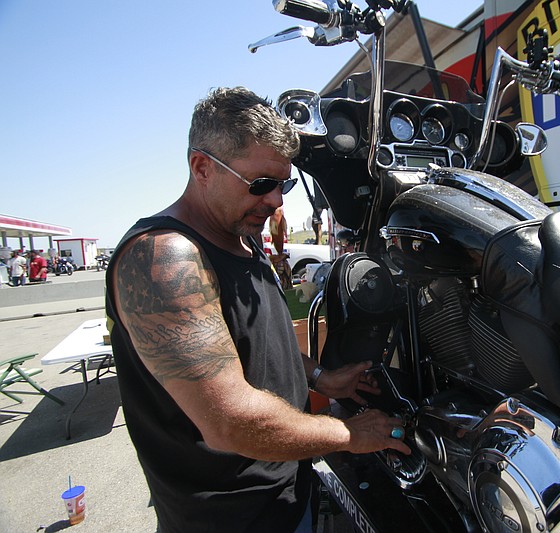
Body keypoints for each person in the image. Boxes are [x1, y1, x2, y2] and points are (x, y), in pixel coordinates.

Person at [105, 86, 410, 533]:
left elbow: (256, 344)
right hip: (232, 518)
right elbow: (231, 421)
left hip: (288, 488)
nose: (276, 201)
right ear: (202, 167)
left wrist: (321, 378)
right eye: (261, 184)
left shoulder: (243, 237)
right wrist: (352, 434)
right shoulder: (164, 260)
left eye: (283, 183)